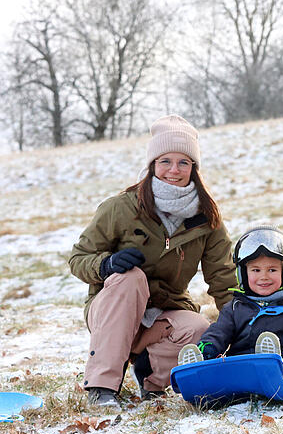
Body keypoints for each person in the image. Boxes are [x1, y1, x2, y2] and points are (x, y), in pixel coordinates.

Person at [68, 114, 237, 409]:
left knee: (199, 329)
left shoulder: (206, 218)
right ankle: (102, 387)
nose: (174, 170)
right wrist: (107, 265)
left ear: (194, 168)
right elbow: (78, 258)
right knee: (130, 278)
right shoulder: (120, 208)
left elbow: (224, 279)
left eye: (184, 162)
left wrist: (244, 326)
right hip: (112, 310)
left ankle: (152, 380)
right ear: (152, 165)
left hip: (163, 315)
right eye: (165, 161)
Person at [177, 226, 283, 371]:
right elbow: (218, 332)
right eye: (256, 270)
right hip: (241, 368)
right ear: (244, 274)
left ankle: (269, 359)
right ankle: (199, 362)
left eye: (272, 270)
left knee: (279, 357)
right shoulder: (235, 307)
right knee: (212, 348)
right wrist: (209, 347)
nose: (264, 276)